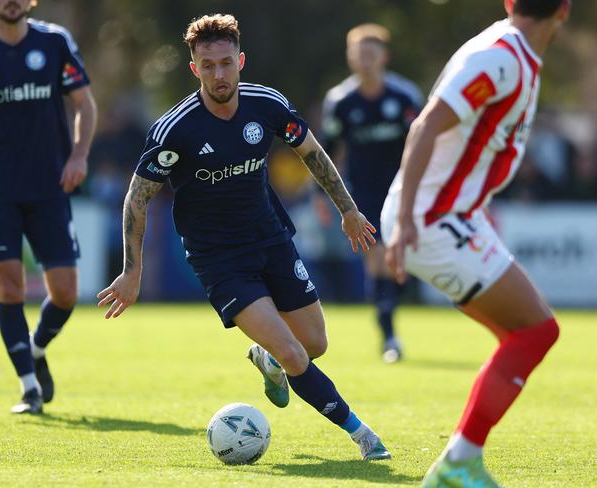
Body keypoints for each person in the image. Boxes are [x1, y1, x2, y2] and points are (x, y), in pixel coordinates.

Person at [97, 14, 390, 461]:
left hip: (271, 239)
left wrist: (348, 209)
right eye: (208, 65)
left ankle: (267, 358)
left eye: (226, 63)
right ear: (194, 68)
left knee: (314, 345)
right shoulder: (176, 130)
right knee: (295, 354)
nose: (218, 74)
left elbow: (312, 152)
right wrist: (131, 272)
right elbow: (137, 199)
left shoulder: (267, 105)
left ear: (241, 62)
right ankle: (362, 435)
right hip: (220, 260)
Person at [381, 0, 570, 485]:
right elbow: (426, 125)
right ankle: (459, 461)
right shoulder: (502, 56)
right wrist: (405, 221)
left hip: (451, 216)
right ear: (565, 11)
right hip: (433, 220)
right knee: (535, 331)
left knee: (528, 333)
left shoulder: (513, 53)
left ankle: (462, 459)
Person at [0, 0, 97, 414]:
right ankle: (29, 387)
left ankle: (35, 348)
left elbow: (84, 103)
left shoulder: (54, 43)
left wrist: (79, 155)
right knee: (9, 287)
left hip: (49, 187)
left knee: (65, 293)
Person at [321, 23, 422, 362]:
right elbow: (324, 154)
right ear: (351, 58)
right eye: (358, 54)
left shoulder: (405, 97)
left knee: (397, 266)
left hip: (403, 192)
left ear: (384, 57)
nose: (365, 61)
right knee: (376, 260)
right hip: (361, 195)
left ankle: (392, 309)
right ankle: (389, 335)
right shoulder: (341, 102)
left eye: (371, 54)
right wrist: (323, 197)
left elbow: (423, 146)